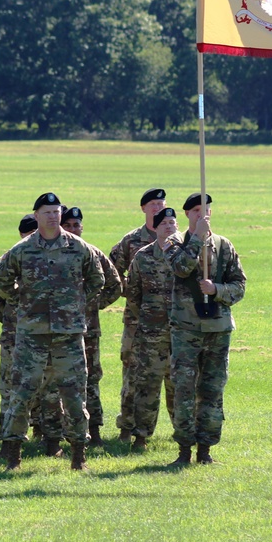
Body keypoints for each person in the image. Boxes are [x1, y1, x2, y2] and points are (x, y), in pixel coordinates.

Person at [0, 193, 105, 471]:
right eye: (47, 212)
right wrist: (22, 302)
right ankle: (13, 455)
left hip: (68, 334)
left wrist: (75, 303)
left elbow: (97, 279)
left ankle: (79, 455)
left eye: (56, 212)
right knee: (22, 392)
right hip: (32, 333)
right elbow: (0, 281)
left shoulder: (79, 248)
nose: (53, 216)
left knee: (75, 394)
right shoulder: (22, 250)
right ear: (37, 216)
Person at [30, 206, 121, 452]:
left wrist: (88, 305)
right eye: (68, 225)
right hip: (57, 331)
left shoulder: (91, 253)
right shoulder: (50, 251)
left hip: (88, 330)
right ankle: (50, 433)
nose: (72, 229)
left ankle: (93, 431)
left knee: (89, 380)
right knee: (51, 382)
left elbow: (113, 285)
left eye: (76, 225)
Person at [166, 193, 246, 466]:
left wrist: (217, 289)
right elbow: (180, 268)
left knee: (212, 391)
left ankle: (206, 450)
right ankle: (184, 450)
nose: (203, 216)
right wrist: (197, 238)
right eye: (197, 211)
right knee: (184, 390)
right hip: (187, 330)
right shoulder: (174, 242)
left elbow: (239, 286)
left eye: (207, 211)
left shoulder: (224, 246)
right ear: (188, 214)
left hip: (217, 329)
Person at [110, 188, 169, 442]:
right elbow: (110, 272)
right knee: (134, 375)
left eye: (161, 204)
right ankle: (127, 428)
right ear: (143, 209)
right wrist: (132, 289)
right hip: (137, 321)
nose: (157, 208)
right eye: (152, 204)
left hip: (173, 323)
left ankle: (182, 429)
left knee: (175, 376)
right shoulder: (132, 240)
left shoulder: (177, 241)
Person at [123, 207, 180, 451]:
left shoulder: (186, 255)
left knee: (180, 386)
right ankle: (141, 437)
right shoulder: (143, 257)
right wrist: (146, 318)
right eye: (164, 223)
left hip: (182, 334)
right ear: (155, 228)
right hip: (151, 333)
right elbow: (133, 293)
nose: (169, 226)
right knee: (147, 386)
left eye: (172, 222)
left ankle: (184, 434)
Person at [0, 213, 38, 458]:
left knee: (45, 388)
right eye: (28, 232)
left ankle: (44, 435)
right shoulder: (10, 257)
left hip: (42, 335)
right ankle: (7, 438)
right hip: (13, 335)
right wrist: (8, 315)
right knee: (9, 387)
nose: (32, 236)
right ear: (21, 234)